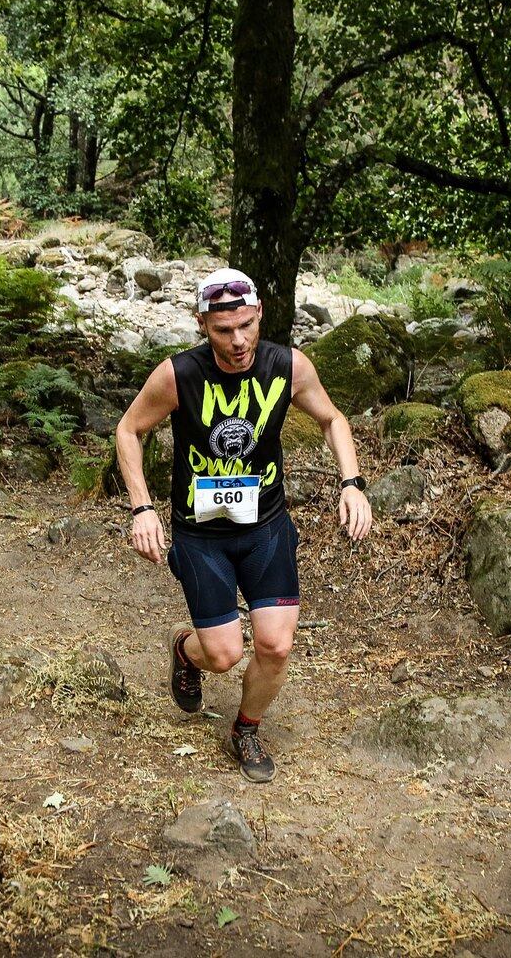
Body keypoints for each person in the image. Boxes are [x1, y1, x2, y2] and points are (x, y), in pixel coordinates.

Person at [116, 267, 372, 783]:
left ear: (259, 316)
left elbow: (332, 418)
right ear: (202, 325)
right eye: (222, 330)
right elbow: (128, 429)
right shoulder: (178, 375)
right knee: (224, 654)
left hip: (266, 525)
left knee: (275, 646)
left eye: (245, 326)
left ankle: (245, 729)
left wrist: (352, 483)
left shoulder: (288, 365)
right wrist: (142, 508)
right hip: (200, 532)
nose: (237, 341)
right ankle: (185, 649)